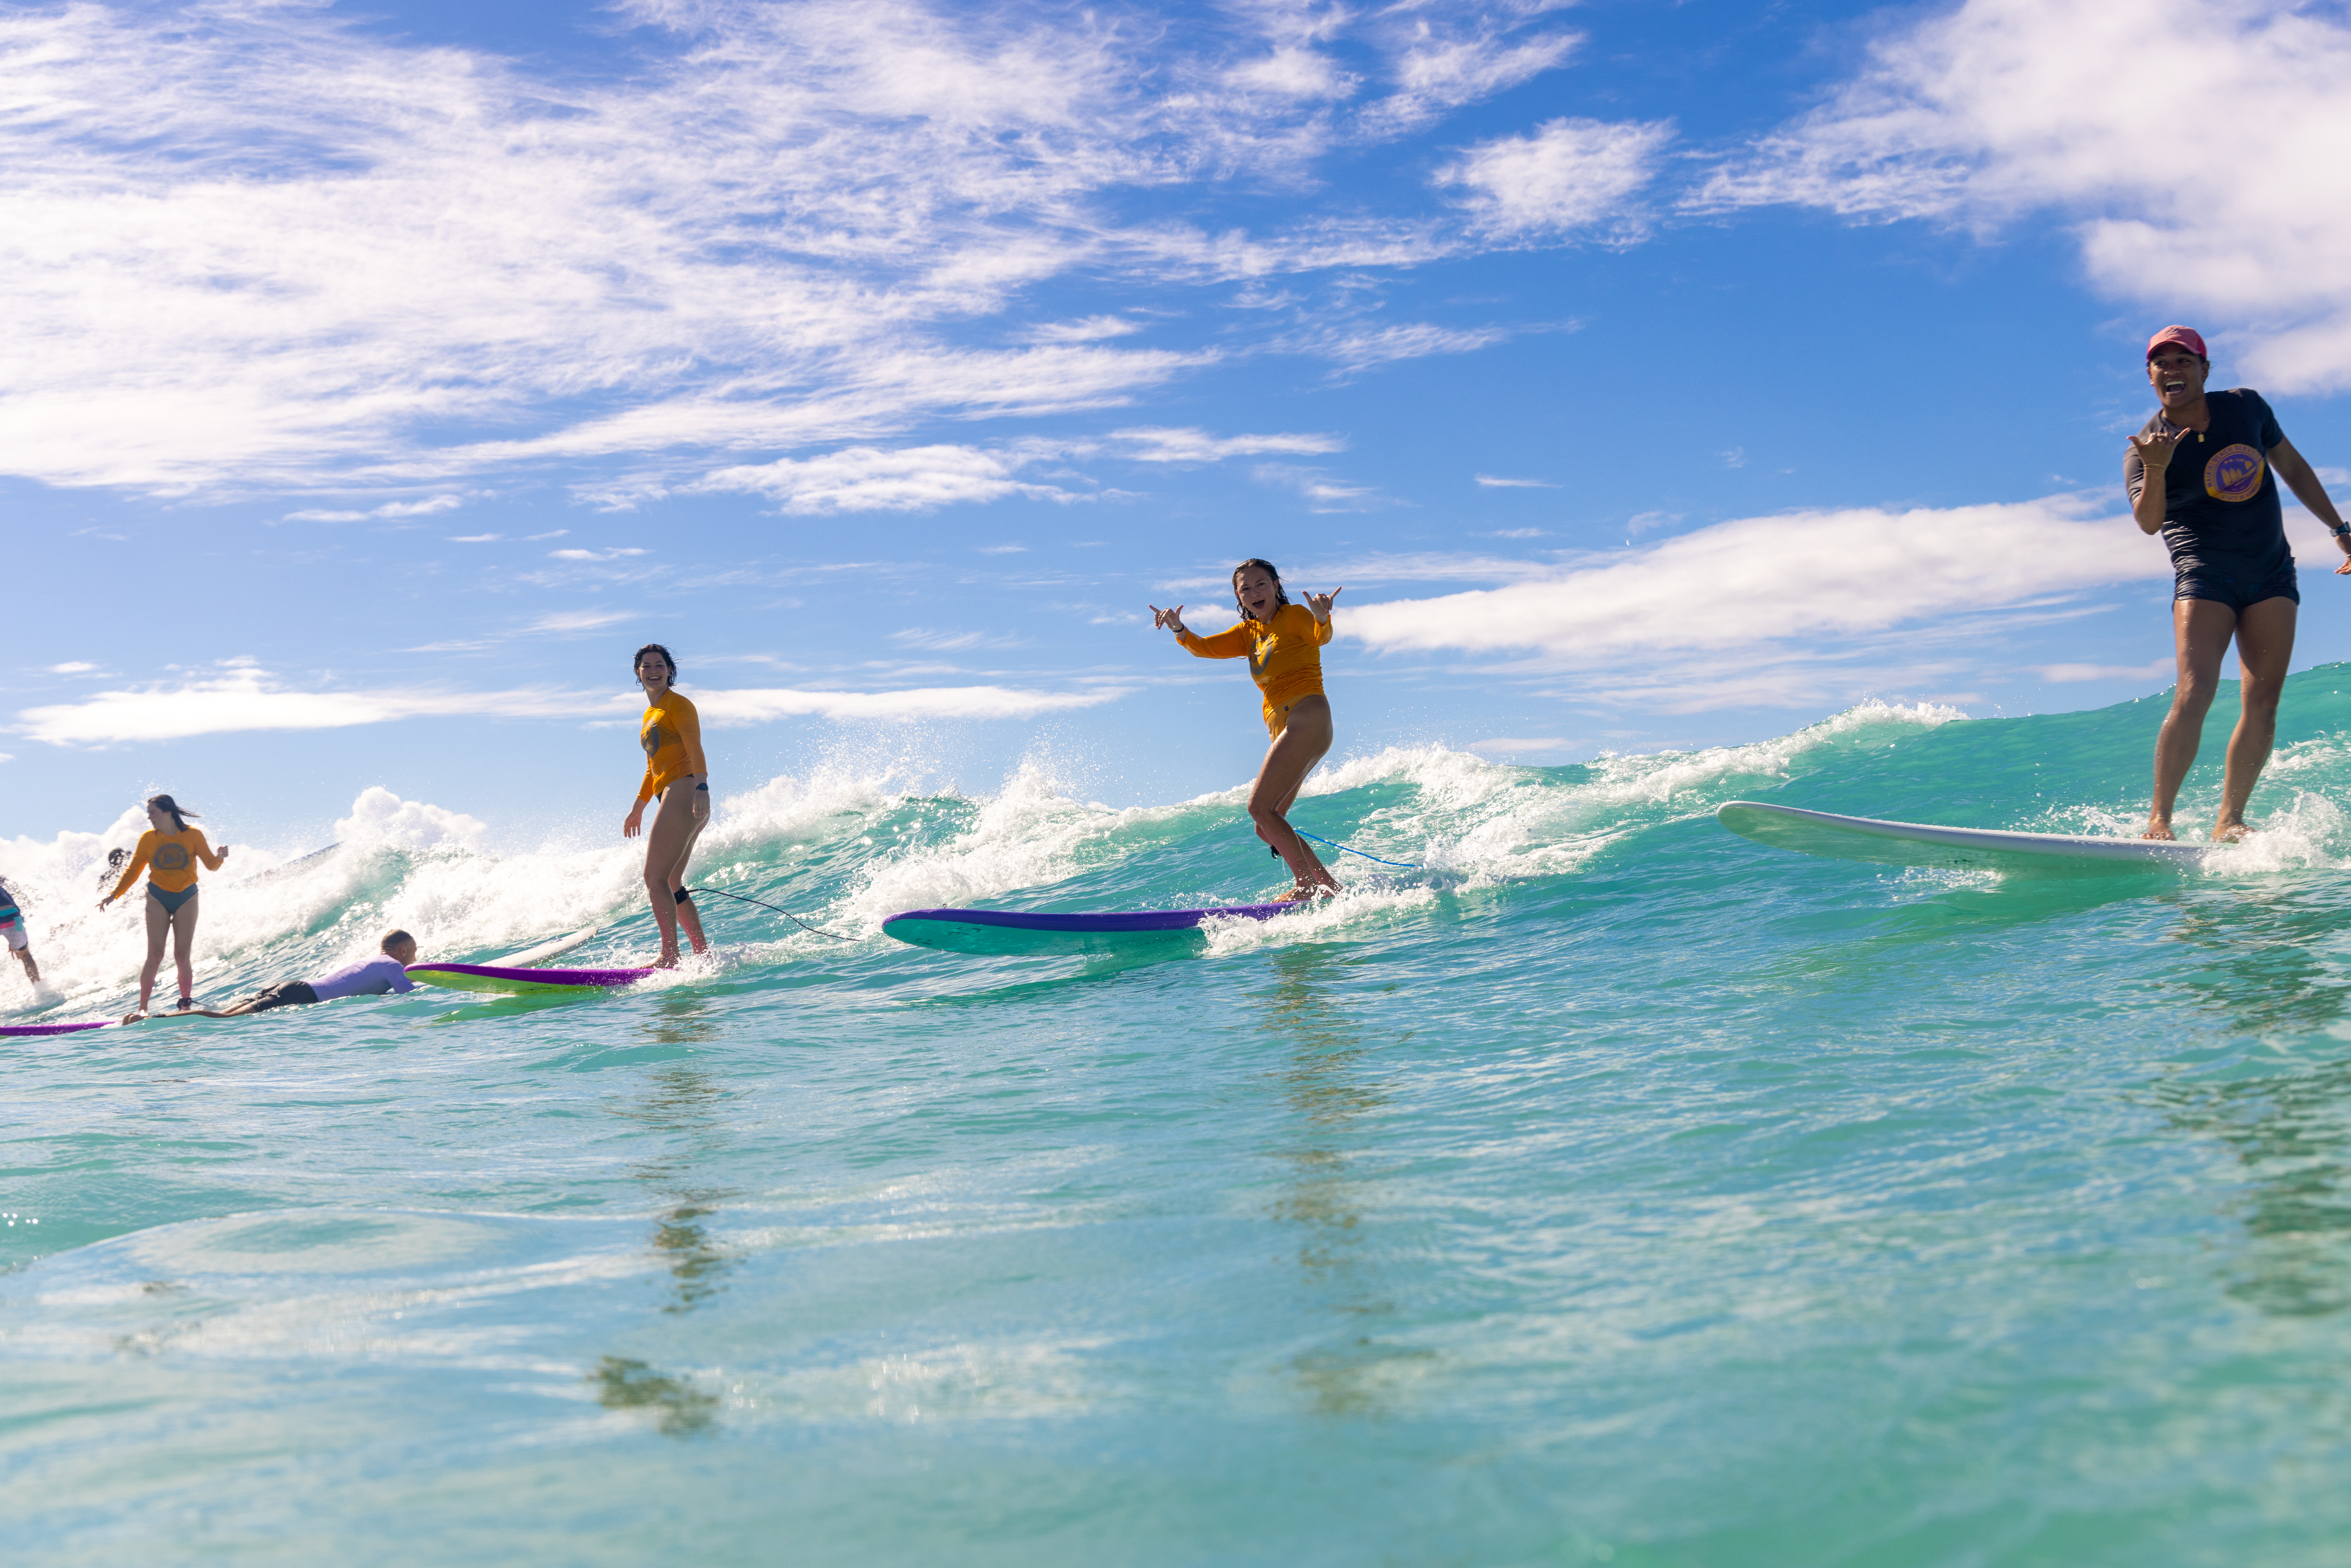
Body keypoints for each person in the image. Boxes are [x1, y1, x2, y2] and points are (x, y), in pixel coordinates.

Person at [2126, 325, 2351, 841]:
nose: (2172, 370)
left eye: (2184, 360)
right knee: (2195, 690)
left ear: (2205, 369)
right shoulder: (2144, 447)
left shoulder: (2246, 408)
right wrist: (2156, 469)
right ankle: (2159, 820)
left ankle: (2229, 819)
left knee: (2264, 699)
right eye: (2162, 363)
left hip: (2270, 569)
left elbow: (2290, 465)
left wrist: (2339, 529)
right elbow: (2147, 521)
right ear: (2150, 377)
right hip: (2204, 574)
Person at [1151, 560, 1345, 901]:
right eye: (1245, 589)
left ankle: (1306, 884)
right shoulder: (1248, 634)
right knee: (1265, 824)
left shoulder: (1296, 616)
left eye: (1260, 584)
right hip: (1290, 728)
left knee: (1258, 808)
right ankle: (1327, 885)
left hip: (1307, 717)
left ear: (1275, 586)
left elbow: (1320, 637)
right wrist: (1179, 629)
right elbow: (1206, 647)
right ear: (1238, 597)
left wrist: (1321, 616)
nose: (1254, 592)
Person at [621, 643, 711, 967]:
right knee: (671, 881)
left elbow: (695, 747)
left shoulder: (679, 705)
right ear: (638, 672)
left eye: (659, 665)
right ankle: (702, 954)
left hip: (686, 790)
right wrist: (638, 807)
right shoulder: (651, 714)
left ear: (669, 670)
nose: (653, 671)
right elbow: (653, 767)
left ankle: (669, 956)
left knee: (653, 878)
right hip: (672, 792)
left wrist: (701, 786)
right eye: (646, 666)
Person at [101, 794, 229, 1016]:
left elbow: (211, 866)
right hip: (158, 896)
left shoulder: (193, 835)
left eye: (153, 813)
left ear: (168, 812)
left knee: (182, 955)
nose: (149, 817)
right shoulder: (149, 839)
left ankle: (186, 1004)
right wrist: (115, 894)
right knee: (155, 955)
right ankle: (143, 1008)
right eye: (149, 813)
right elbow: (133, 870)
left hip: (187, 896)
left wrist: (220, 857)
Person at [135, 930, 419, 1020]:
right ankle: (153, 1018)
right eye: (414, 955)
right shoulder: (394, 966)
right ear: (403, 950)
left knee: (225, 1012)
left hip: (294, 985)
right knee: (225, 1019)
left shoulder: (373, 959)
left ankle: (154, 1016)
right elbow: (407, 996)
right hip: (304, 994)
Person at [0, 871, 40, 986]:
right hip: (13, 919)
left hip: (12, 918)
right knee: (26, 955)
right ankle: (40, 989)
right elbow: (12, 902)